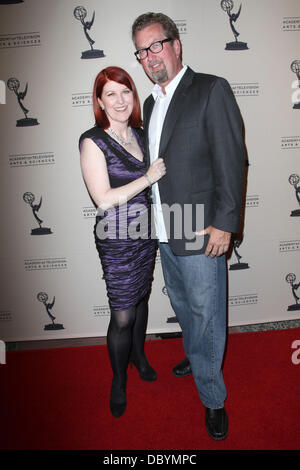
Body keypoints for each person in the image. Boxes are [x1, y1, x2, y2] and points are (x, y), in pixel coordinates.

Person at [132, 13, 246, 440]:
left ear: (176, 45)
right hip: (166, 229)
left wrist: (224, 224)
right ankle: (197, 356)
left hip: (202, 230)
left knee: (207, 313)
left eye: (156, 45)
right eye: (142, 51)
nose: (150, 56)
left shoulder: (210, 89)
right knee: (183, 305)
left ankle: (213, 398)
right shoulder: (149, 102)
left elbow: (231, 160)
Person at [79, 66, 166, 418]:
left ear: (133, 96)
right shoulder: (93, 140)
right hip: (115, 238)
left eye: (125, 91)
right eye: (110, 93)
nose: (119, 100)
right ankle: (118, 380)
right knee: (123, 313)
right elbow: (101, 198)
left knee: (142, 296)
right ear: (100, 100)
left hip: (146, 232)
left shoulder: (142, 135)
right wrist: (147, 178)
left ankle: (139, 356)